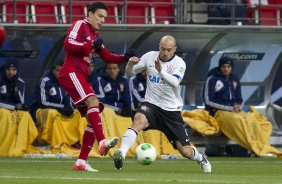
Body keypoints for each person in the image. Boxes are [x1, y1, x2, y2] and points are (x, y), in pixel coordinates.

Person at [112, 35, 212, 173]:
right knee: (138, 120)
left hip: (171, 111)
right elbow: (129, 74)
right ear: (159, 46)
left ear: (174, 49)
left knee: (185, 152)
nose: (165, 53)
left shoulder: (179, 63)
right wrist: (130, 64)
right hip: (152, 104)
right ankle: (121, 153)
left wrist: (161, 71)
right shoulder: (149, 57)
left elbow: (175, 82)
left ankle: (201, 158)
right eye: (163, 49)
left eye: (169, 50)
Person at [57, 2, 135, 172]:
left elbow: (107, 57)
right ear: (90, 14)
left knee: (93, 116)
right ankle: (102, 143)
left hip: (79, 75)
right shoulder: (80, 25)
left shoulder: (94, 34)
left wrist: (124, 57)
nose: (102, 20)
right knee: (93, 101)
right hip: (70, 72)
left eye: (104, 18)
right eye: (99, 16)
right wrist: (90, 45)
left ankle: (81, 162)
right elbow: (68, 44)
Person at [30, 61, 86, 152]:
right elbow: (42, 102)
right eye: (57, 70)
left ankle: (76, 142)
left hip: (59, 108)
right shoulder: (44, 81)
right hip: (40, 110)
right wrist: (61, 107)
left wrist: (69, 107)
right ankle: (55, 143)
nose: (60, 73)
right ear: (53, 70)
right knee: (53, 113)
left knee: (79, 113)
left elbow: (68, 97)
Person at [0, 59, 39, 156]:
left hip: (13, 109)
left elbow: (20, 102)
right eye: (8, 69)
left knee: (25, 114)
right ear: (4, 69)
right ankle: (3, 146)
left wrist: (15, 89)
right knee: (5, 114)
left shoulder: (20, 82)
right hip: (4, 108)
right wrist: (14, 106)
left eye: (13, 70)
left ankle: (19, 146)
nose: (11, 72)